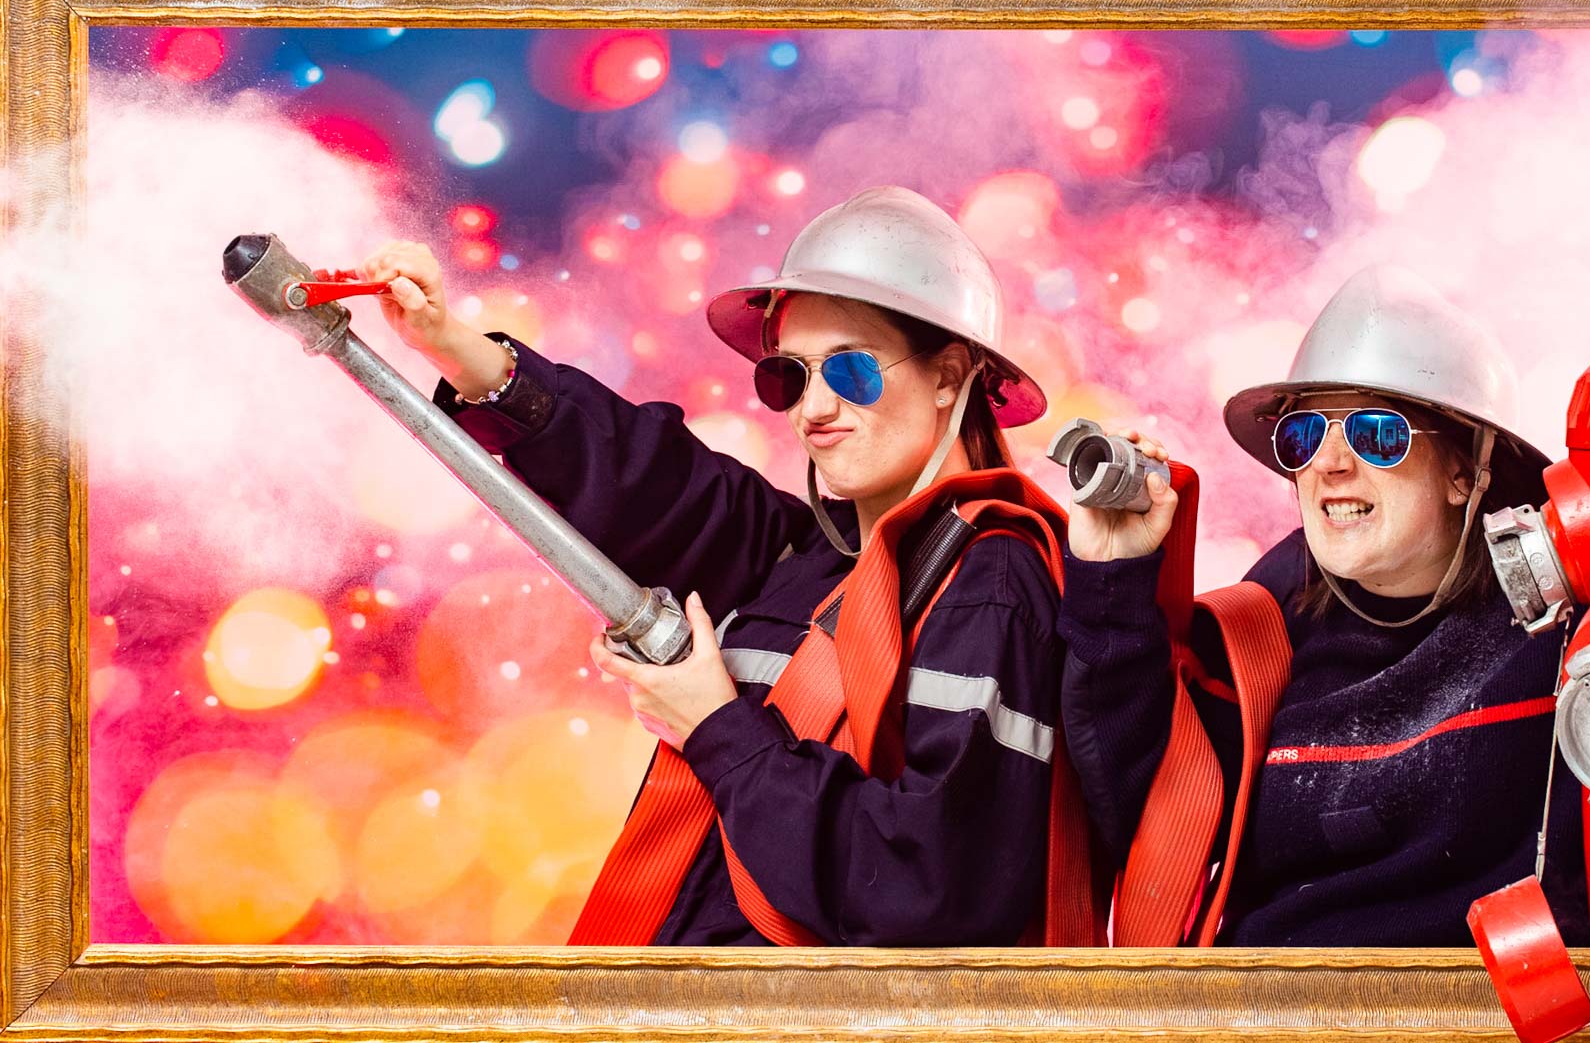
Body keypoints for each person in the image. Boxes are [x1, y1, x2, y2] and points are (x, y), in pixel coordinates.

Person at [1056, 269, 1590, 947]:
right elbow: (1139, 823)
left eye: (1378, 435)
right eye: (1305, 438)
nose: (1331, 466)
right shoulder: (1253, 638)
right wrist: (1112, 579)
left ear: (1466, 472)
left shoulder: (1575, 618)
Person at [357, 186, 1081, 947]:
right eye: (789, 378)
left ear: (948, 374)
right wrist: (448, 342)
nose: (815, 410)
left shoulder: (994, 588)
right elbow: (641, 471)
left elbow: (923, 892)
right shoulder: (802, 561)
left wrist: (715, 726)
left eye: (852, 372)